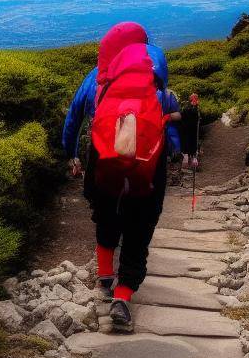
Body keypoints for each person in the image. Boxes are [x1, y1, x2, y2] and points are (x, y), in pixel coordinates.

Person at [62, 22, 180, 332]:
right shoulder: (157, 78)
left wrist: (71, 153)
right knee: (140, 226)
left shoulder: (95, 81)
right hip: (148, 164)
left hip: (103, 158)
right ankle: (123, 298)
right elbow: (169, 121)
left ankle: (104, 277)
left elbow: (73, 117)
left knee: (105, 214)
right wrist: (174, 150)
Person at [179, 93, 200, 169]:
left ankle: (188, 161)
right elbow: (196, 117)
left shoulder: (186, 107)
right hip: (191, 129)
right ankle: (191, 161)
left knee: (187, 145)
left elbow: (182, 115)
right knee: (191, 145)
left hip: (186, 128)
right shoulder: (195, 107)